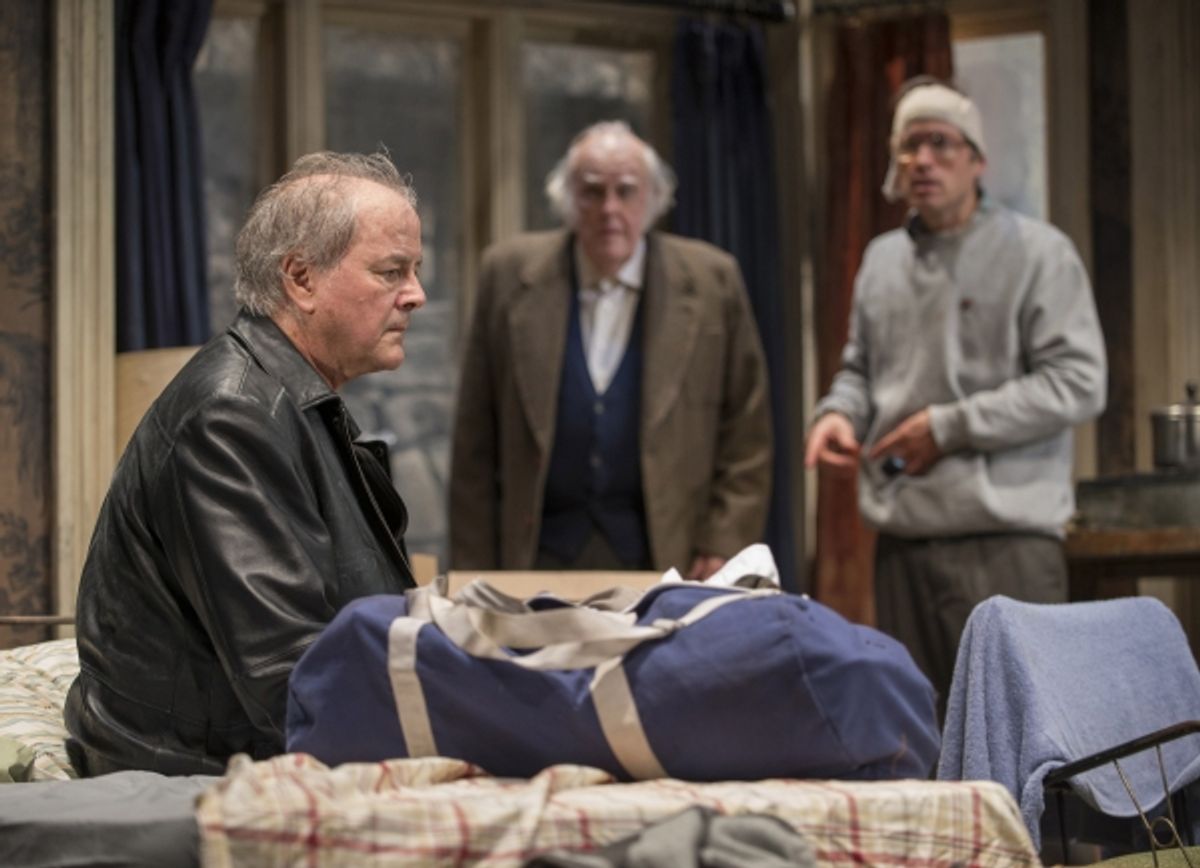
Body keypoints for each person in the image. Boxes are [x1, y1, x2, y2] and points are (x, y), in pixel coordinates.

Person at [65, 151, 426, 776]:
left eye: (414, 271)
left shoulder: (291, 398)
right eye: (391, 272)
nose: (416, 296)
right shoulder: (229, 414)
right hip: (192, 768)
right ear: (300, 279)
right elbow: (292, 677)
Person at [804, 78, 1107, 713]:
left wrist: (947, 427)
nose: (922, 160)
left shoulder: (1038, 253)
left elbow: (1079, 382)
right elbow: (860, 369)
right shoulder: (882, 261)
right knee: (922, 739)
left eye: (941, 143)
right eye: (909, 145)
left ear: (977, 160)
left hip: (1007, 542)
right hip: (905, 542)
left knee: (1028, 740)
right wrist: (836, 413)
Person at [449, 121, 771, 580]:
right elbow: (474, 442)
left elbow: (748, 432)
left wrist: (723, 543)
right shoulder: (506, 274)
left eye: (626, 191)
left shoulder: (713, 281)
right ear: (567, 199)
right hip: (534, 557)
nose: (609, 209)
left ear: (653, 199)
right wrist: (473, 570)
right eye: (592, 192)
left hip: (668, 557)